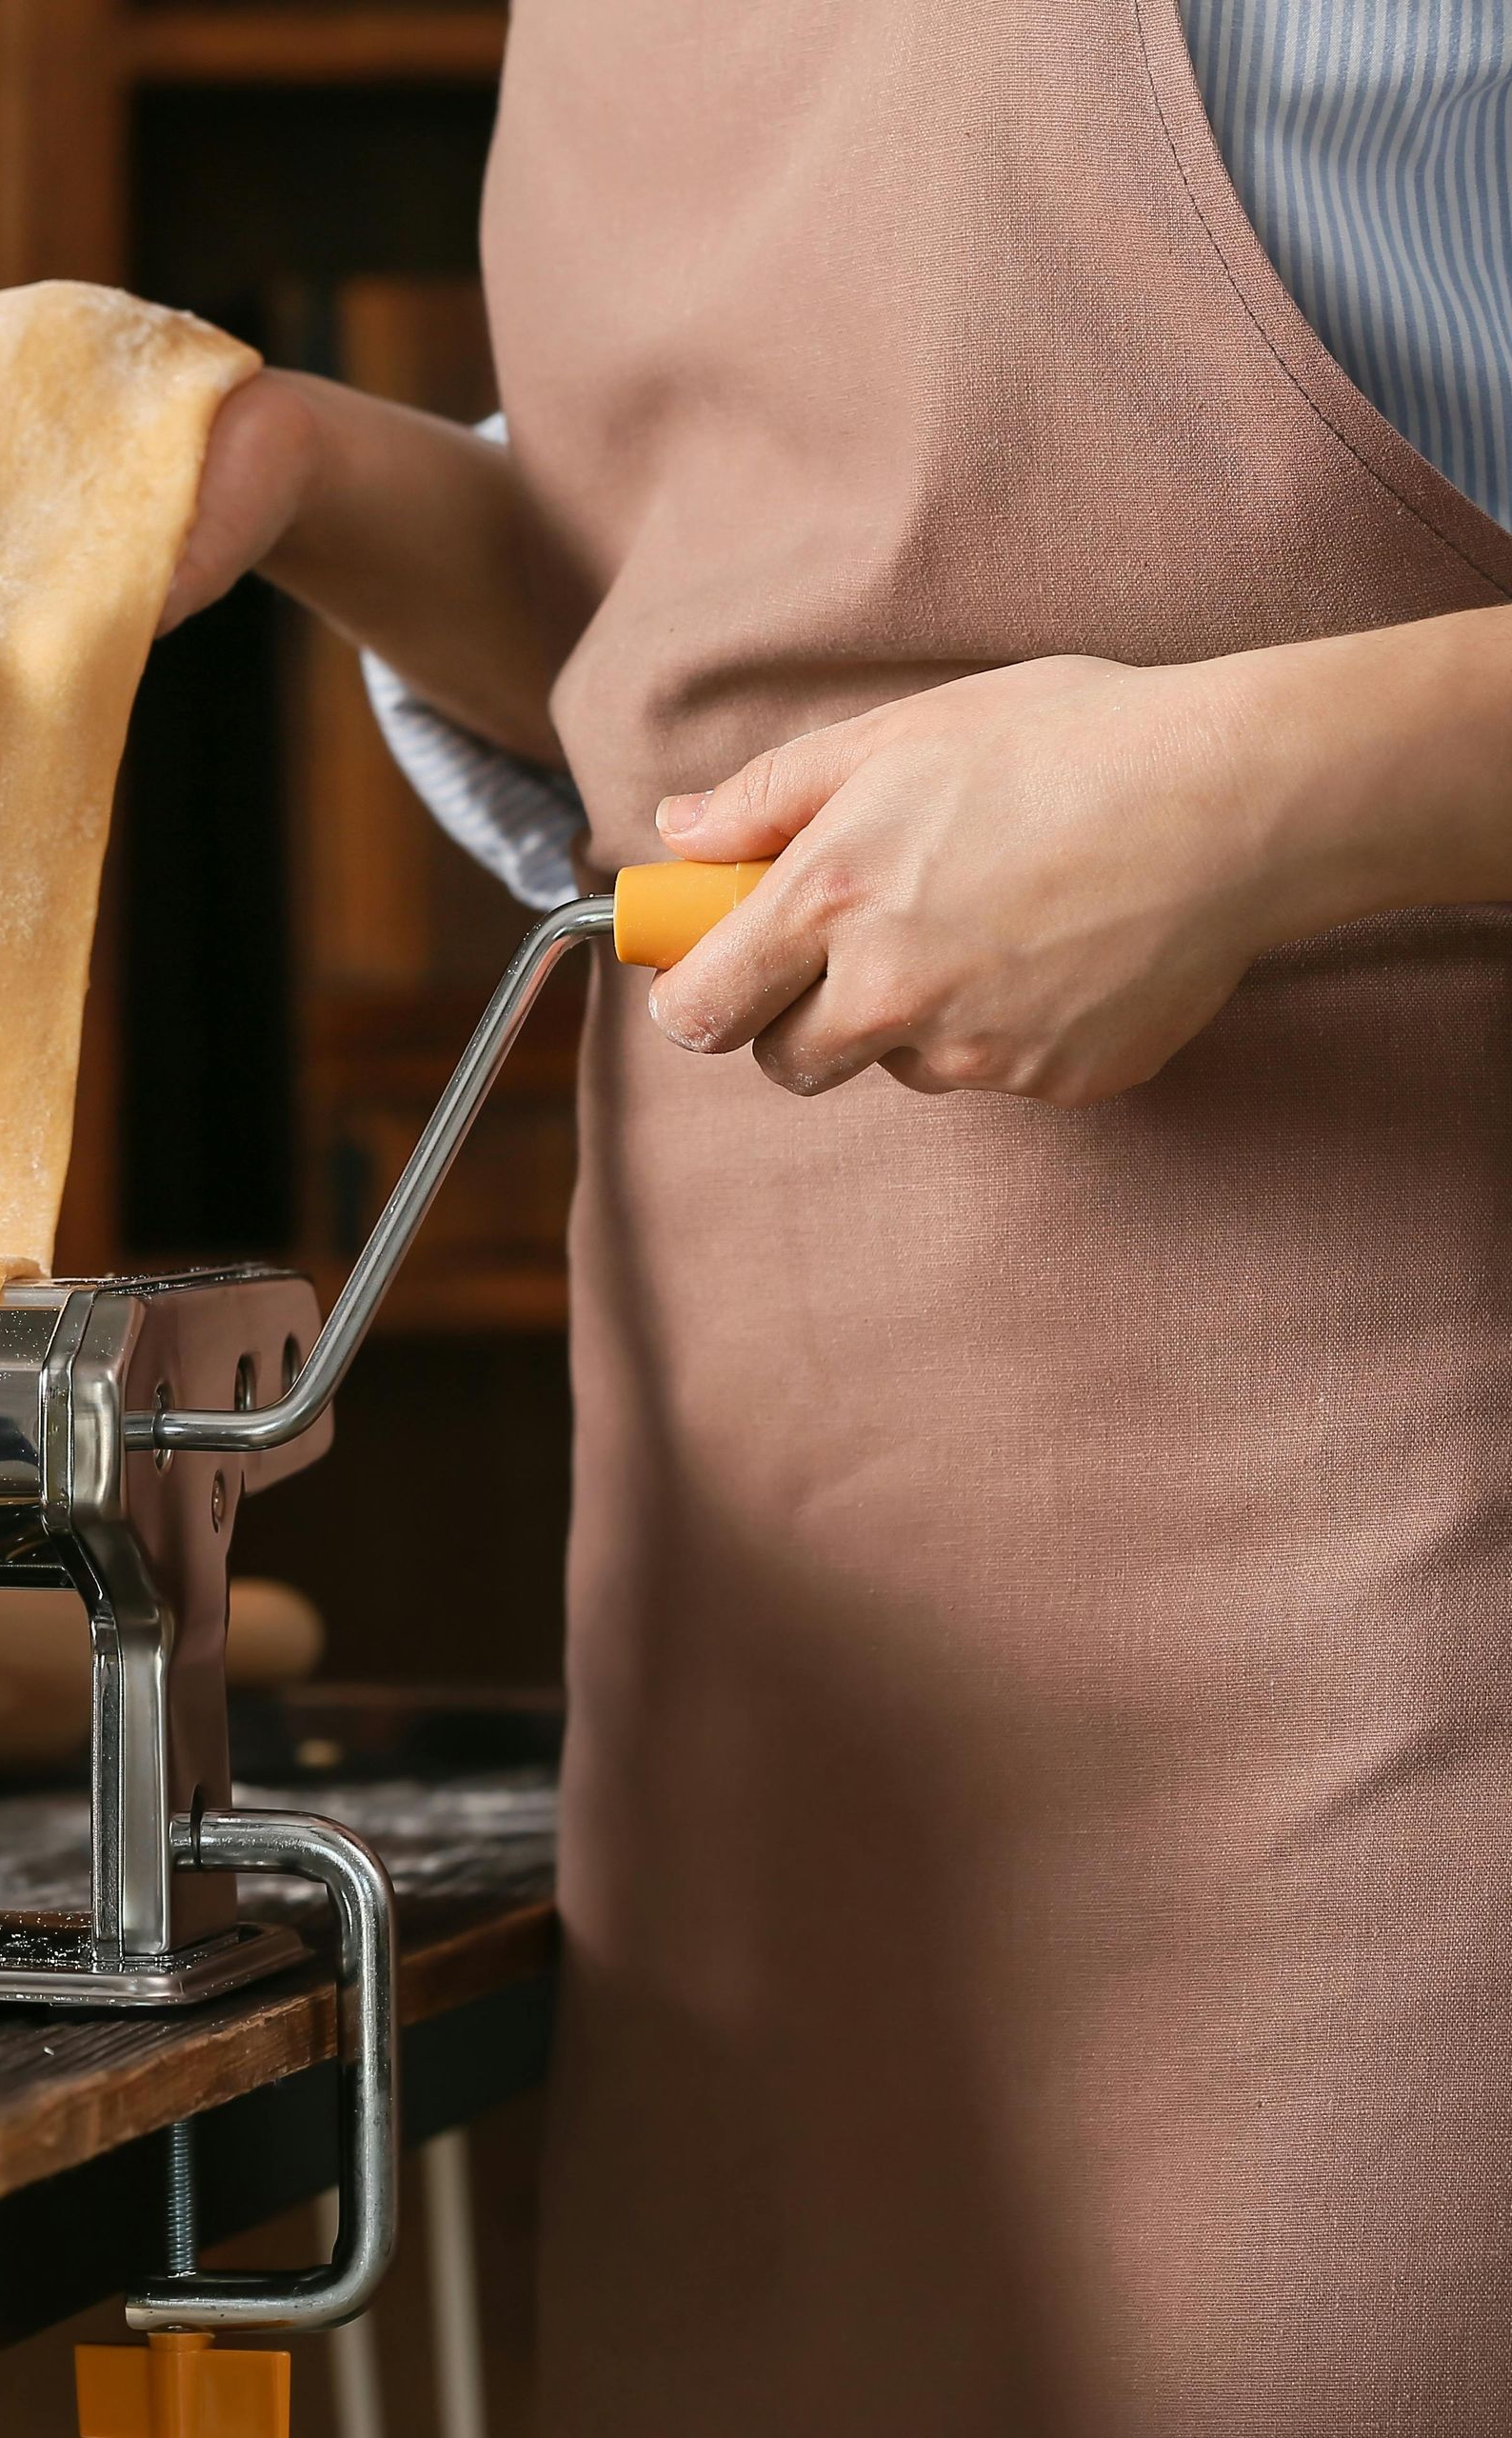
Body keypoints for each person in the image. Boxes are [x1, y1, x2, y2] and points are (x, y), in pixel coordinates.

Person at [155, 4, 1512, 2432]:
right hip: (780, 1708)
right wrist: (309, 482)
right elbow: (728, 665)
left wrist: (1265, 795)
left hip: (1406, 1570)